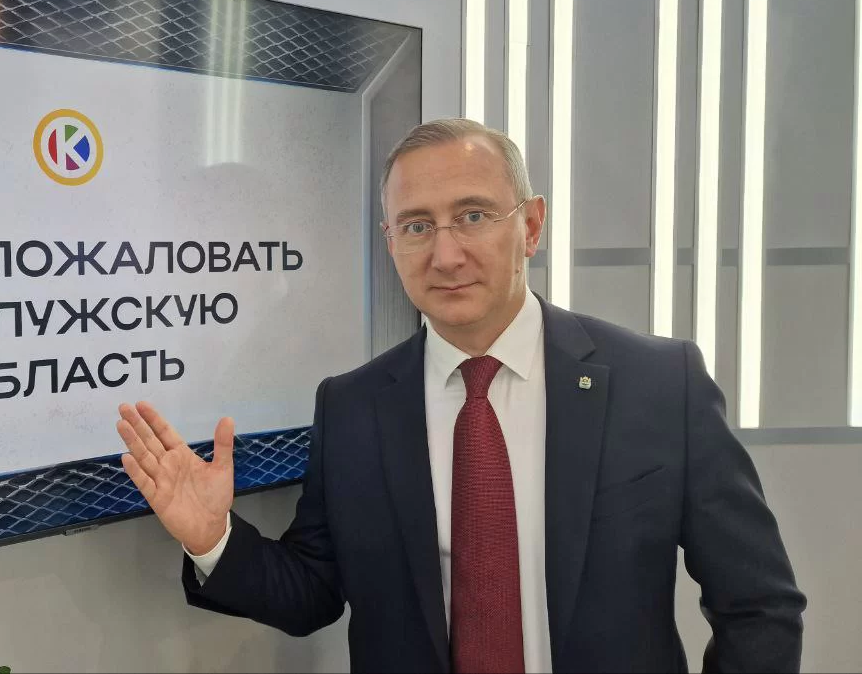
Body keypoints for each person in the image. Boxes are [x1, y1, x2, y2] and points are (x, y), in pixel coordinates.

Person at [115, 119, 805, 673]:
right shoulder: (354, 408)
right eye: (416, 226)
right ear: (391, 243)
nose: (445, 255)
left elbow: (759, 604)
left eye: (473, 215)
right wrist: (213, 539)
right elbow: (313, 594)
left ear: (530, 226)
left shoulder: (658, 383)